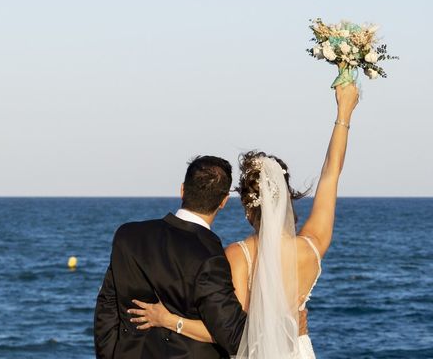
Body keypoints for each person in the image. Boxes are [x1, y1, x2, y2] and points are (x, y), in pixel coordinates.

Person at [129, 84, 359, 358]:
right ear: (286, 198)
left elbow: (227, 332)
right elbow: (331, 172)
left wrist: (167, 320)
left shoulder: (239, 256)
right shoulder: (312, 248)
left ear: (247, 208)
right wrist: (344, 111)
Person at [93, 155, 247, 358]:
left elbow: (106, 309)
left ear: (182, 189)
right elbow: (236, 339)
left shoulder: (127, 235)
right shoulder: (210, 257)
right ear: (224, 201)